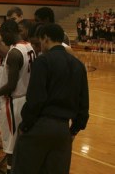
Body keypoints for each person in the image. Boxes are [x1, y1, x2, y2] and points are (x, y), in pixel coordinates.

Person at [12, 23, 89, 174]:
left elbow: (36, 99)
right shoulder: (78, 65)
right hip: (63, 130)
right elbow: (84, 105)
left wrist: (25, 125)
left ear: (46, 38)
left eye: (40, 41)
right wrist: (73, 130)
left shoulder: (43, 61)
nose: (40, 45)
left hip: (40, 125)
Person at [0, 19, 36, 174]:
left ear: (9, 33)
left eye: (2, 36)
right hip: (26, 99)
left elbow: (11, 85)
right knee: (21, 142)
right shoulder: (29, 46)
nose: (1, 39)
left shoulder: (14, 53)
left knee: (10, 145)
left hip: (13, 102)